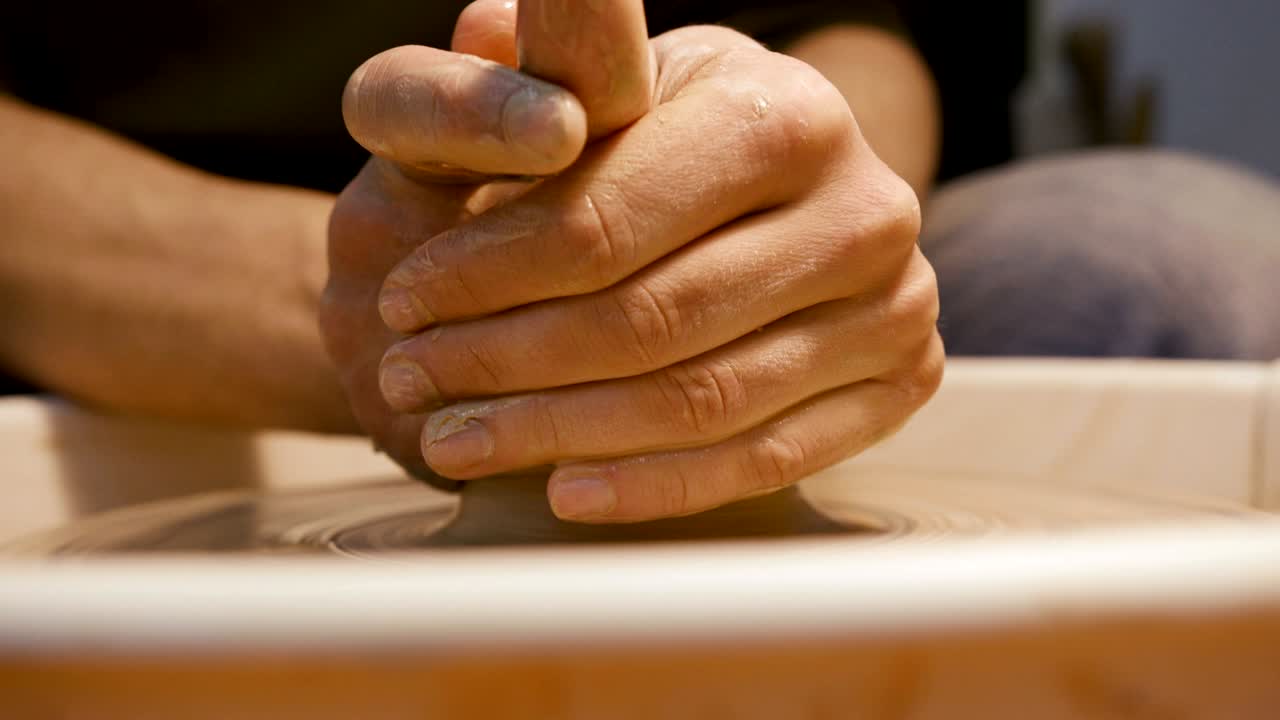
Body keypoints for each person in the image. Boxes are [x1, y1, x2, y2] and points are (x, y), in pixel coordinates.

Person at [1, 2, 1277, 523]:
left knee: (1167, 254)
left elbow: (868, 31)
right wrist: (442, 315)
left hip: (701, 167)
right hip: (138, 276)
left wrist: (764, 236)